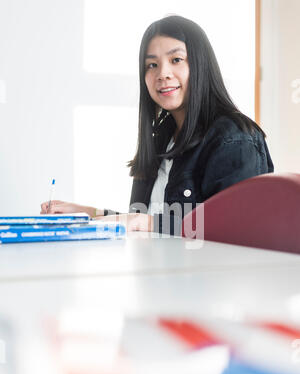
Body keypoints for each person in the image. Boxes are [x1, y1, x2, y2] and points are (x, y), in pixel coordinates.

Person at [40, 15, 274, 235]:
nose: (163, 73)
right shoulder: (162, 136)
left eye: (176, 60)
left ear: (201, 66)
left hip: (206, 276)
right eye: (151, 65)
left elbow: (235, 230)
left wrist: (144, 222)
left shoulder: (234, 138)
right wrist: (87, 214)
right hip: (159, 272)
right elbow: (149, 221)